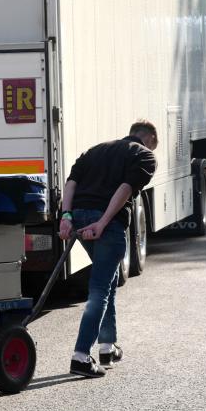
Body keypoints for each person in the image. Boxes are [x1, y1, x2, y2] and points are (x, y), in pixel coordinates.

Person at [58, 120, 158, 377]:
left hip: (79, 216)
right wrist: (103, 222)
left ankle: (107, 347)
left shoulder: (95, 150)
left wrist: (66, 217)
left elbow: (71, 183)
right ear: (149, 139)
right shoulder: (145, 156)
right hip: (106, 223)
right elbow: (126, 189)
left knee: (109, 279)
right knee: (100, 289)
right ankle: (81, 356)